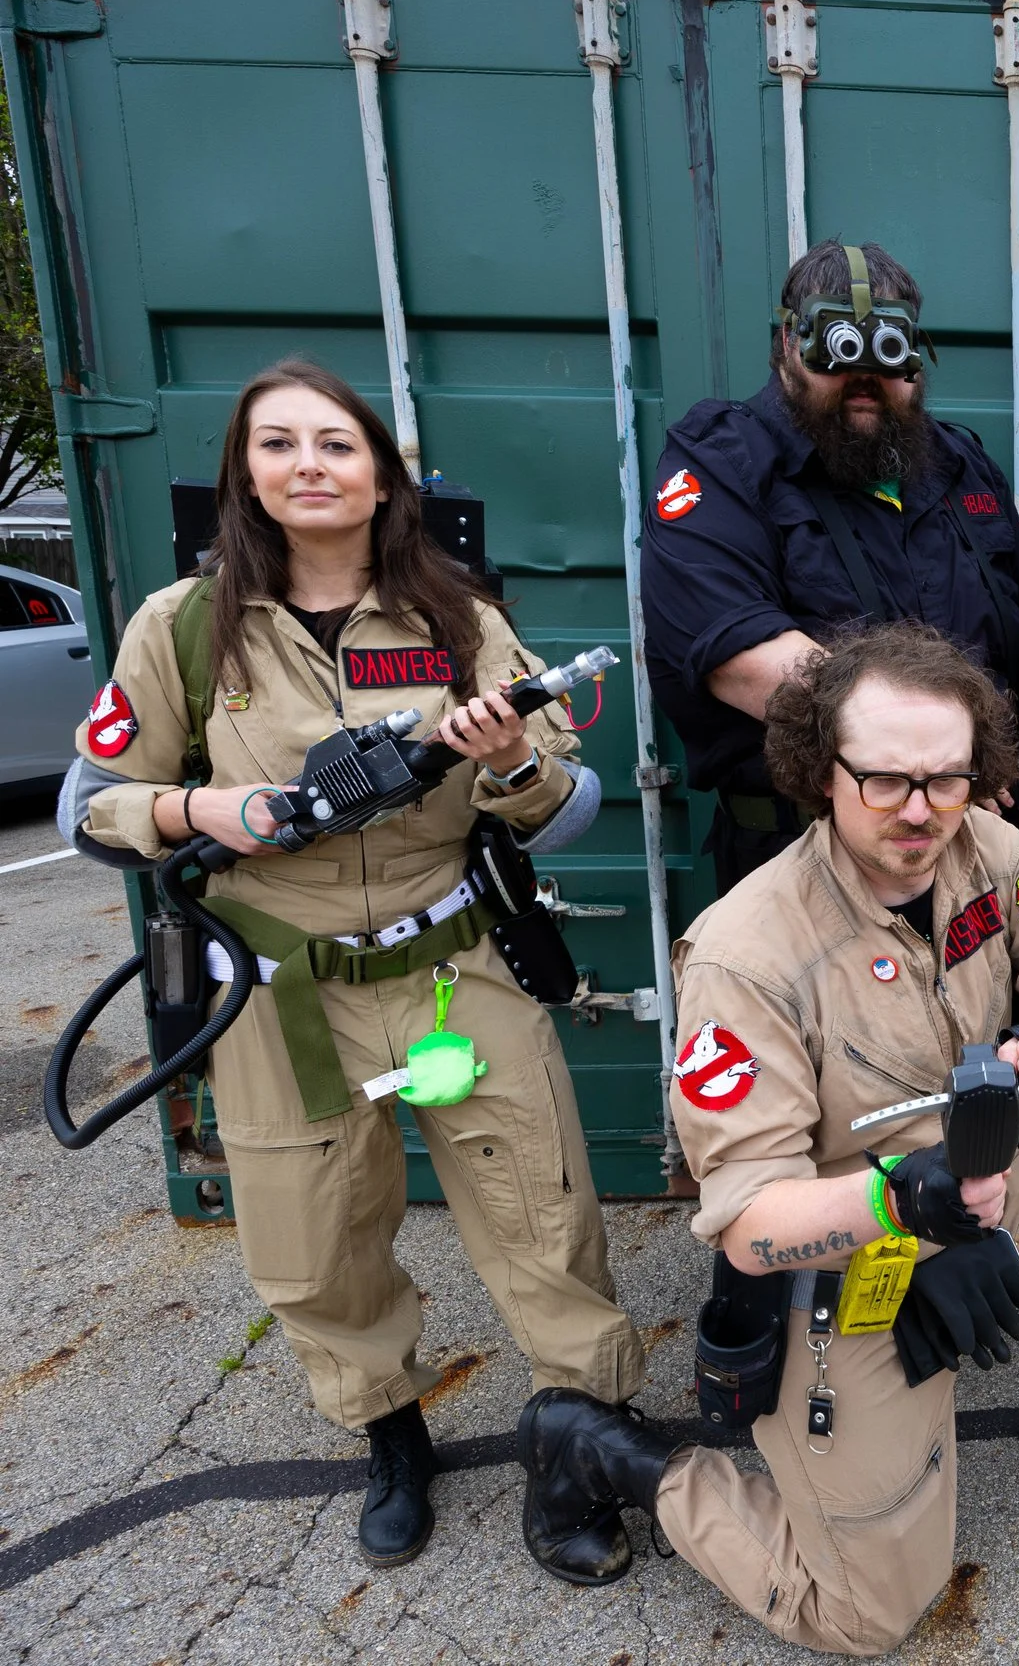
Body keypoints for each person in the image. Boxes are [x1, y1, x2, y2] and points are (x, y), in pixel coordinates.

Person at [515, 622, 1019, 1656]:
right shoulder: (746, 954)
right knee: (865, 1615)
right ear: (821, 771)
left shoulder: (986, 851)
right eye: (887, 781)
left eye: (948, 780)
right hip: (834, 1252)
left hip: (980, 1188)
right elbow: (746, 1225)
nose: (920, 811)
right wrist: (904, 1208)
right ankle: (610, 1455)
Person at [61, 360, 642, 1567]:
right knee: (313, 1235)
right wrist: (200, 816)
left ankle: (580, 1439)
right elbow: (91, 804)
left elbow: (565, 803)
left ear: (383, 475)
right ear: (247, 475)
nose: (309, 465)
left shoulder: (460, 621)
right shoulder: (181, 627)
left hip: (452, 966)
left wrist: (503, 765)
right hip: (282, 986)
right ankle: (389, 1433)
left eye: (335, 443)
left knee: (544, 1213)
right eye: (279, 445)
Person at [640, 237, 1019, 891]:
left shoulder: (960, 466)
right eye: (838, 349)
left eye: (889, 351)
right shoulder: (723, 464)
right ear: (788, 345)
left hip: (974, 856)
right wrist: (943, 766)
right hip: (806, 859)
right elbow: (744, 658)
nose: (865, 377)